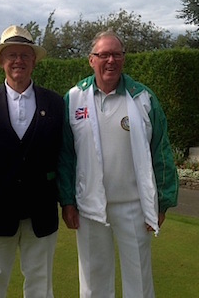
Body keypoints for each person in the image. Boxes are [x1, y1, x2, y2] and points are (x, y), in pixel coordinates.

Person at [58, 30, 179, 298]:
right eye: (103, 55)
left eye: (116, 54)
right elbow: (66, 156)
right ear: (92, 60)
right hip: (89, 207)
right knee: (93, 281)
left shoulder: (143, 99)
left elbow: (161, 152)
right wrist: (67, 201)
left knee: (139, 279)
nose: (110, 60)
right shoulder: (74, 98)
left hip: (133, 206)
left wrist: (163, 201)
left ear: (124, 59)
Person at [0, 25, 64, 298]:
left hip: (42, 209)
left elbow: (61, 151)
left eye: (24, 54)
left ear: (34, 60)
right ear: (2, 61)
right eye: (11, 55)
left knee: (40, 283)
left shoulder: (55, 103)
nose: (18, 60)